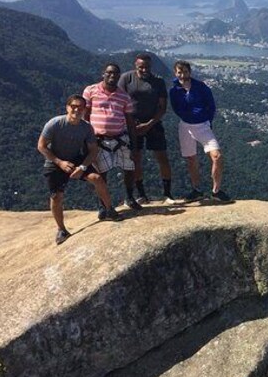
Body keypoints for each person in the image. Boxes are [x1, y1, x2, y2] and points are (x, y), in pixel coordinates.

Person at [38, 94, 121, 245]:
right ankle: (61, 229)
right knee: (56, 196)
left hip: (76, 158)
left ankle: (109, 209)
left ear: (84, 110)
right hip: (55, 161)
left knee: (96, 178)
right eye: (73, 106)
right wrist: (59, 162)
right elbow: (41, 146)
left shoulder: (86, 128)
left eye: (80, 107)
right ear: (67, 107)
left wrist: (82, 167)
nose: (76, 110)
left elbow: (93, 150)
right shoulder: (55, 123)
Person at [169, 60, 231, 202]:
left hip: (202, 125)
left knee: (217, 156)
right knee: (191, 159)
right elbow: (175, 108)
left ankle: (216, 191)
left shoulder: (200, 87)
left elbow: (211, 105)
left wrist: (206, 120)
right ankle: (197, 190)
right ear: (175, 73)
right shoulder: (174, 90)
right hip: (185, 126)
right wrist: (187, 116)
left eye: (185, 71)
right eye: (179, 71)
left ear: (189, 72)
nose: (182, 74)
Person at [83, 63, 140, 216]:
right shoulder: (90, 91)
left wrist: (134, 145)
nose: (112, 76)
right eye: (109, 73)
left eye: (115, 73)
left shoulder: (123, 96)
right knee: (102, 173)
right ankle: (102, 206)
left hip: (120, 138)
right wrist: (85, 138)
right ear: (103, 73)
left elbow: (129, 121)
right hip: (98, 139)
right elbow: (85, 115)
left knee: (129, 168)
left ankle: (129, 197)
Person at [118, 54, 175, 204]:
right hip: (132, 125)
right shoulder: (126, 79)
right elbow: (119, 102)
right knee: (135, 158)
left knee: (162, 157)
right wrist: (129, 124)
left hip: (153, 123)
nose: (144, 70)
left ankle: (167, 194)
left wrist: (149, 124)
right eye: (141, 67)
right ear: (135, 65)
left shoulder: (158, 82)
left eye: (147, 67)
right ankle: (141, 194)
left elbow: (162, 108)